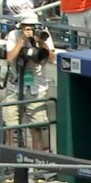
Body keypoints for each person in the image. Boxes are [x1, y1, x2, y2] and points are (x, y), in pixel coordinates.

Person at [3, 12, 55, 151]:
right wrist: (21, 40)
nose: (31, 29)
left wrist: (42, 42)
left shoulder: (44, 34)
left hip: (36, 86)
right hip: (15, 85)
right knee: (10, 125)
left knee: (37, 127)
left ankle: (35, 162)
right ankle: (11, 161)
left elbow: (51, 59)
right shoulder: (14, 35)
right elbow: (10, 58)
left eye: (33, 26)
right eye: (27, 26)